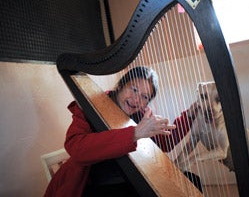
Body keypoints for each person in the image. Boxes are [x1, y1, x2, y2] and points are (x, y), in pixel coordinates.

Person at [44, 66, 201, 197]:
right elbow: (76, 148)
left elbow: (164, 144)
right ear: (120, 85)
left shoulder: (142, 113)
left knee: (191, 181)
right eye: (133, 89)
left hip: (128, 178)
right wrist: (134, 133)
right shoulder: (90, 106)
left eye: (145, 96)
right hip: (91, 183)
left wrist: (190, 115)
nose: (137, 99)